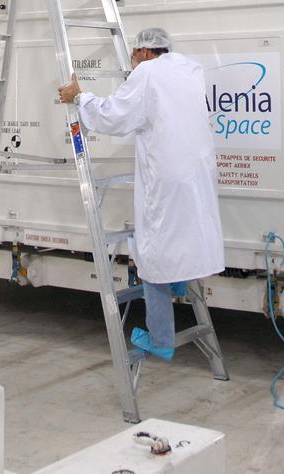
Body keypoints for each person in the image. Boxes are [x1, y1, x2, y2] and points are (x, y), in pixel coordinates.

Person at [57, 27, 224, 361]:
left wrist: (79, 96)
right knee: (186, 232)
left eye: (134, 54)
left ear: (146, 52)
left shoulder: (147, 73)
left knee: (154, 250)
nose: (132, 60)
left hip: (166, 177)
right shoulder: (189, 69)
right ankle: (179, 281)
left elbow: (112, 116)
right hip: (196, 173)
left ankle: (161, 339)